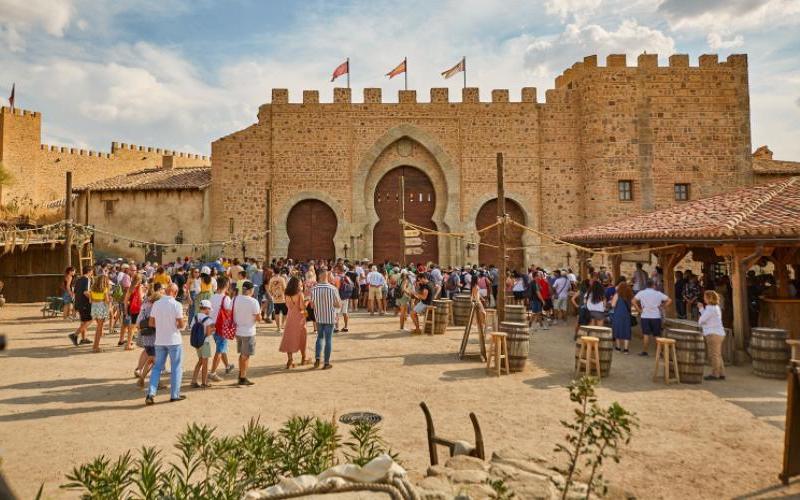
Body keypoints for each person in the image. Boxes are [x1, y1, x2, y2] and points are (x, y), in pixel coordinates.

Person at [145, 283, 186, 405]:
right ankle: (174, 394)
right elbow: (181, 324)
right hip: (174, 340)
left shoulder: (157, 304)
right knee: (176, 367)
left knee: (157, 368)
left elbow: (151, 323)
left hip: (160, 340)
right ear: (175, 292)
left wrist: (163, 326)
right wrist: (173, 326)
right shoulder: (177, 304)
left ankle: (151, 393)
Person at [310, 269, 341, 369]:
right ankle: (326, 362)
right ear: (327, 275)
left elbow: (312, 305)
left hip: (319, 316)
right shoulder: (332, 288)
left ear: (319, 276)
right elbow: (338, 304)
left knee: (319, 337)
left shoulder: (314, 289)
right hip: (330, 316)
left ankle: (317, 359)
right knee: (328, 339)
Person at [633, 279, 672, 356]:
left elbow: (633, 301)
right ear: (653, 285)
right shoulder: (658, 293)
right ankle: (659, 352)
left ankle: (644, 351)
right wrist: (663, 306)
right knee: (657, 335)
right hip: (656, 316)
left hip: (645, 315)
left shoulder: (642, 293)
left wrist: (639, 310)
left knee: (646, 334)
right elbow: (669, 300)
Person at [234, 281, 261, 386]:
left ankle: (241, 375)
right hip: (249, 331)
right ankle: (242, 377)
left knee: (242, 354)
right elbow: (258, 318)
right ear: (249, 290)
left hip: (238, 330)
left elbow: (229, 311)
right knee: (246, 355)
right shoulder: (253, 301)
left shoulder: (235, 299)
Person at [208, 276, 235, 381]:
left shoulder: (212, 297)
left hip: (213, 325)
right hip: (222, 326)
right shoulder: (226, 298)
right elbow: (229, 311)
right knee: (219, 350)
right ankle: (213, 372)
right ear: (226, 285)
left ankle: (227, 365)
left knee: (221, 347)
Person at [279, 276, 308, 368]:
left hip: (290, 317)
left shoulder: (286, 293)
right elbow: (302, 308)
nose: (301, 285)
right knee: (302, 338)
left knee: (289, 338)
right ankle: (304, 358)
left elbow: (288, 306)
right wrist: (307, 301)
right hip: (299, 318)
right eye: (299, 283)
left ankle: (290, 360)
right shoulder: (299, 294)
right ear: (297, 284)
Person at [698, 290, 726, 381]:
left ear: (708, 298)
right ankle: (721, 373)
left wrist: (701, 309)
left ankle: (715, 374)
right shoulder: (715, 307)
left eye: (705, 297)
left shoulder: (710, 308)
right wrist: (702, 309)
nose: (704, 298)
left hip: (713, 334)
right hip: (718, 333)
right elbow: (706, 317)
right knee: (718, 354)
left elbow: (701, 320)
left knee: (713, 355)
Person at [190, 299, 214, 388]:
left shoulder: (195, 317)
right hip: (205, 343)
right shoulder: (209, 320)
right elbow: (208, 333)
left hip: (197, 342)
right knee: (205, 363)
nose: (209, 311)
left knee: (200, 361)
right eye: (209, 309)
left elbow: (192, 328)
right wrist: (213, 329)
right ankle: (204, 382)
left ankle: (194, 380)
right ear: (206, 308)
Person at [69, 266, 94, 347]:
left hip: (78, 303)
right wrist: (93, 299)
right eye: (92, 271)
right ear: (89, 271)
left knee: (83, 321)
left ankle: (83, 339)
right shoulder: (87, 279)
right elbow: (86, 292)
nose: (92, 273)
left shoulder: (78, 279)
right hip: (85, 303)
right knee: (90, 320)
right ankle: (75, 335)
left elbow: (75, 292)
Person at [89, 273, 111, 353]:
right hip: (101, 307)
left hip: (94, 308)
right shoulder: (105, 289)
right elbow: (107, 301)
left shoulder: (92, 289)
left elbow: (90, 300)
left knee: (99, 327)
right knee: (99, 328)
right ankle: (95, 346)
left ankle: (96, 344)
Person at [610, 281, 633, 353]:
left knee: (618, 330)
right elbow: (631, 305)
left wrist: (611, 300)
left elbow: (613, 305)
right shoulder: (630, 295)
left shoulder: (617, 294)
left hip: (618, 314)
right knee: (626, 331)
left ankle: (618, 348)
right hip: (626, 315)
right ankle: (626, 349)